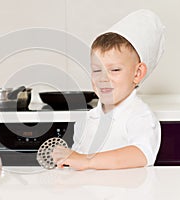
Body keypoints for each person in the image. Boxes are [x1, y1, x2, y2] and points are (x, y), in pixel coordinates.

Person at [52, 9, 165, 170]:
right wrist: (67, 160)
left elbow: (140, 154)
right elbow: (78, 163)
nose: (103, 78)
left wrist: (86, 160)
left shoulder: (139, 116)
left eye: (115, 70)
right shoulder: (85, 121)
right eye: (97, 70)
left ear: (137, 73)